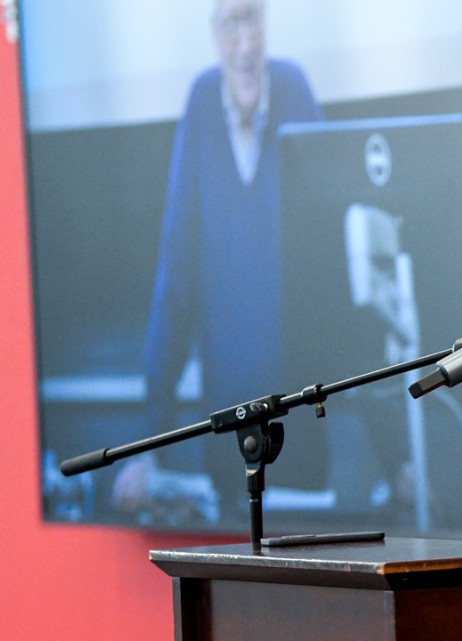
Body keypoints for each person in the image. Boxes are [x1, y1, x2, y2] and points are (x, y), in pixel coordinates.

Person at [112, 0, 324, 521]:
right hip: (229, 424)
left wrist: (394, 455)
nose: (244, 41)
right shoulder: (203, 101)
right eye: (232, 23)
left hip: (303, 419)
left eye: (252, 19)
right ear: (214, 32)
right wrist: (147, 445)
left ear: (266, 23)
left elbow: (336, 274)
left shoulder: (295, 90)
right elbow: (176, 277)